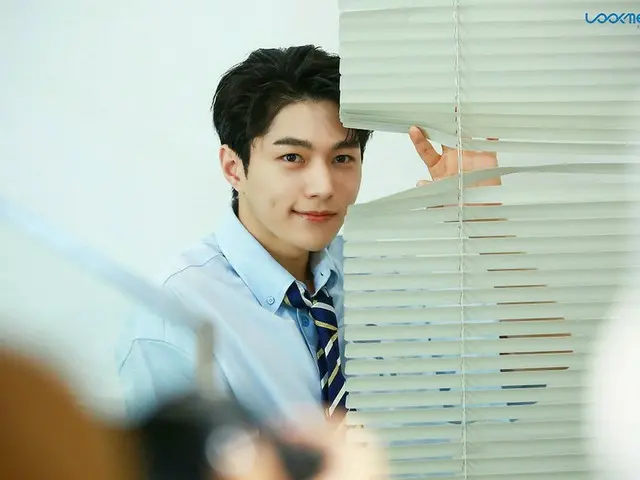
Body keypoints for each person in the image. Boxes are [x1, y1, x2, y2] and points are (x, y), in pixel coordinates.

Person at [115, 44, 498, 427]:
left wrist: (488, 227)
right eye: (292, 158)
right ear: (234, 168)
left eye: (342, 158)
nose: (323, 186)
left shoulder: (385, 282)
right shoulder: (173, 319)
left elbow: (505, 392)